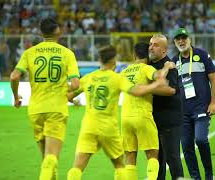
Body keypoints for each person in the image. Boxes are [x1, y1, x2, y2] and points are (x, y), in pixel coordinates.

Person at [66, 45, 166, 180]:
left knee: (78, 166)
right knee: (129, 162)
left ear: (99, 60)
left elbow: (69, 95)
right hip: (115, 125)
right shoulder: (117, 78)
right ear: (113, 61)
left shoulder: (91, 77)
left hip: (94, 125)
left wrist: (75, 101)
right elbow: (139, 90)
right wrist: (158, 81)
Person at [10, 17, 80, 180]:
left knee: (46, 160)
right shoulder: (67, 53)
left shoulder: (29, 52)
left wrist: (16, 97)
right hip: (56, 109)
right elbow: (76, 84)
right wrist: (63, 88)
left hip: (35, 110)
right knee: (51, 158)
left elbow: (14, 77)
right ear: (58, 32)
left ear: (41, 33)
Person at [121, 42, 176, 180]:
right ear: (148, 55)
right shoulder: (146, 68)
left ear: (134, 55)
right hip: (142, 116)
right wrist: (166, 67)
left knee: (129, 156)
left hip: (125, 118)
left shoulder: (124, 71)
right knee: (152, 155)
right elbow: (159, 76)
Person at [172, 28, 215, 180]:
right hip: (183, 112)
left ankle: (209, 174)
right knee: (186, 147)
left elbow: (214, 80)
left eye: (183, 38)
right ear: (174, 42)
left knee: (201, 139)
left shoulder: (202, 55)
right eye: (178, 39)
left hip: (201, 108)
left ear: (189, 39)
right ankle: (195, 177)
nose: (181, 41)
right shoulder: (173, 61)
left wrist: (213, 103)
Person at [149, 34, 184, 180]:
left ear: (164, 50)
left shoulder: (170, 66)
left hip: (169, 119)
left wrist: (145, 88)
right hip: (153, 119)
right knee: (157, 160)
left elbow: (171, 90)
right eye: (150, 44)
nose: (151, 47)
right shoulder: (148, 66)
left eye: (155, 45)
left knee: (172, 158)